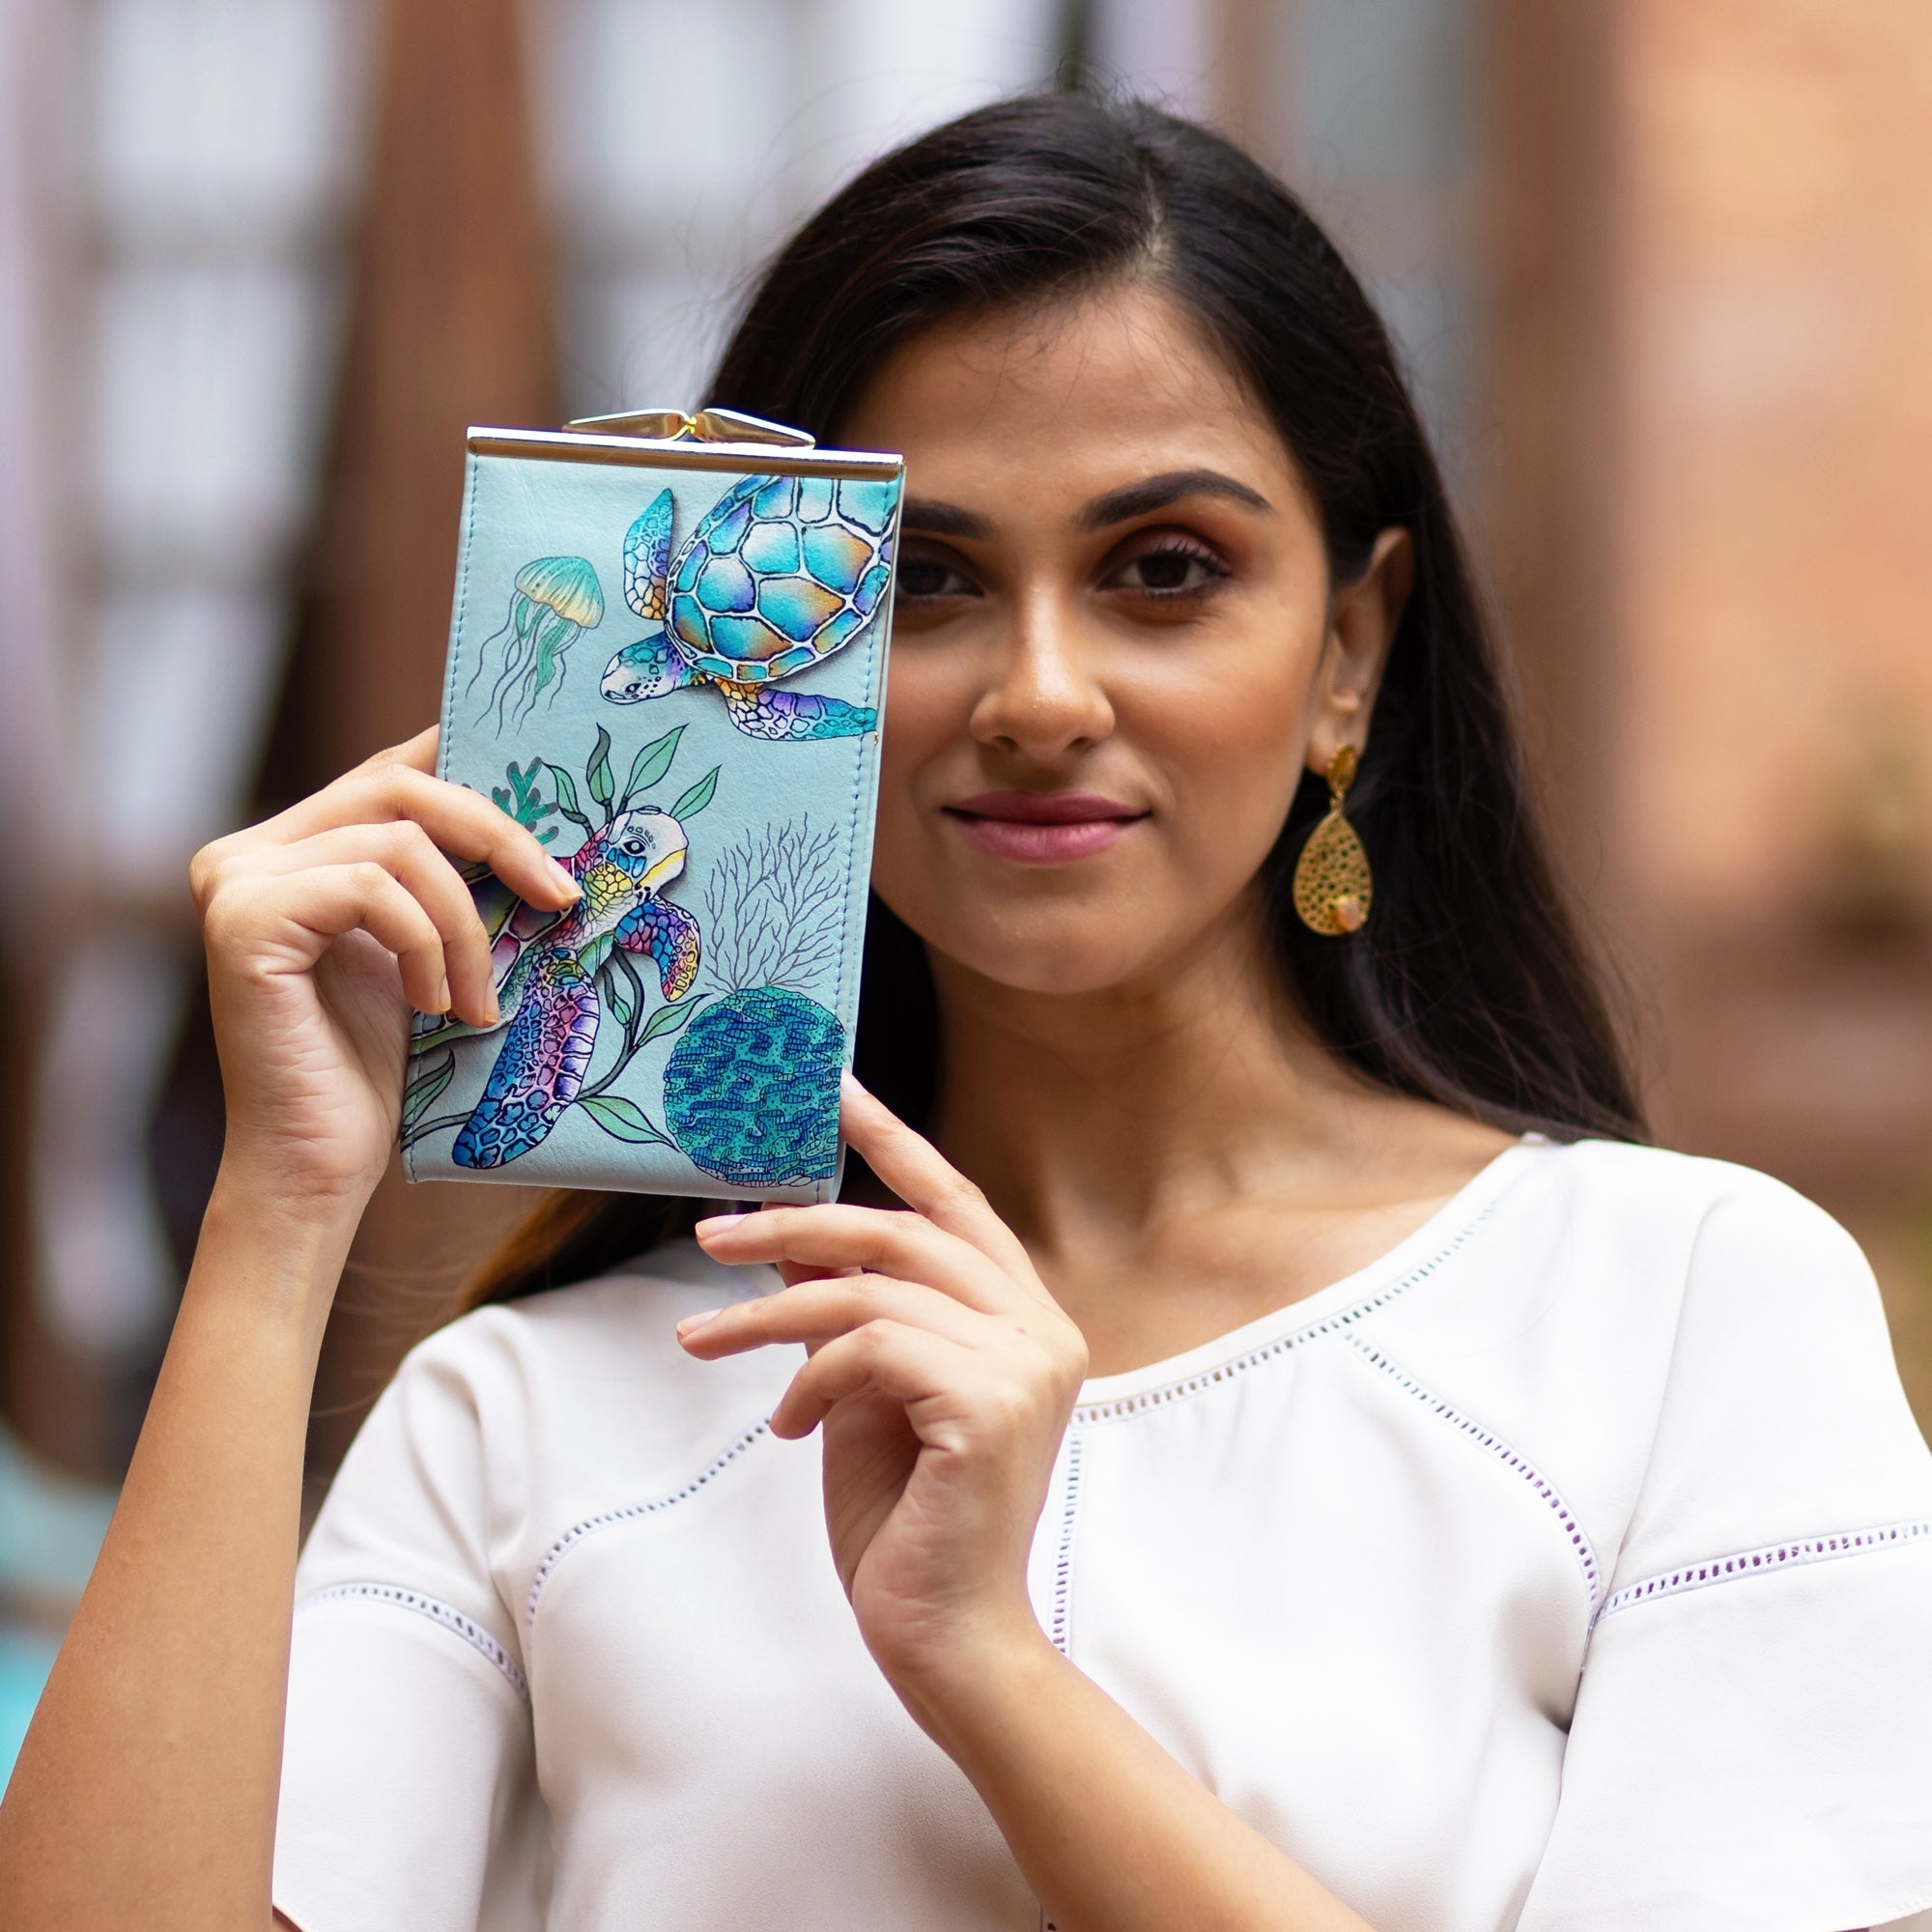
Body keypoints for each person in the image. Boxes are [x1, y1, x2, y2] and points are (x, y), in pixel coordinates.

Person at [4, 93, 1930, 1932]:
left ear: (1348, 649)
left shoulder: (1676, 1314)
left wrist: (987, 1665)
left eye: (1163, 571)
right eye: (920, 582)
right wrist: (279, 1212)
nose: (1036, 690)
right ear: (773, 658)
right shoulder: (531, 1418)